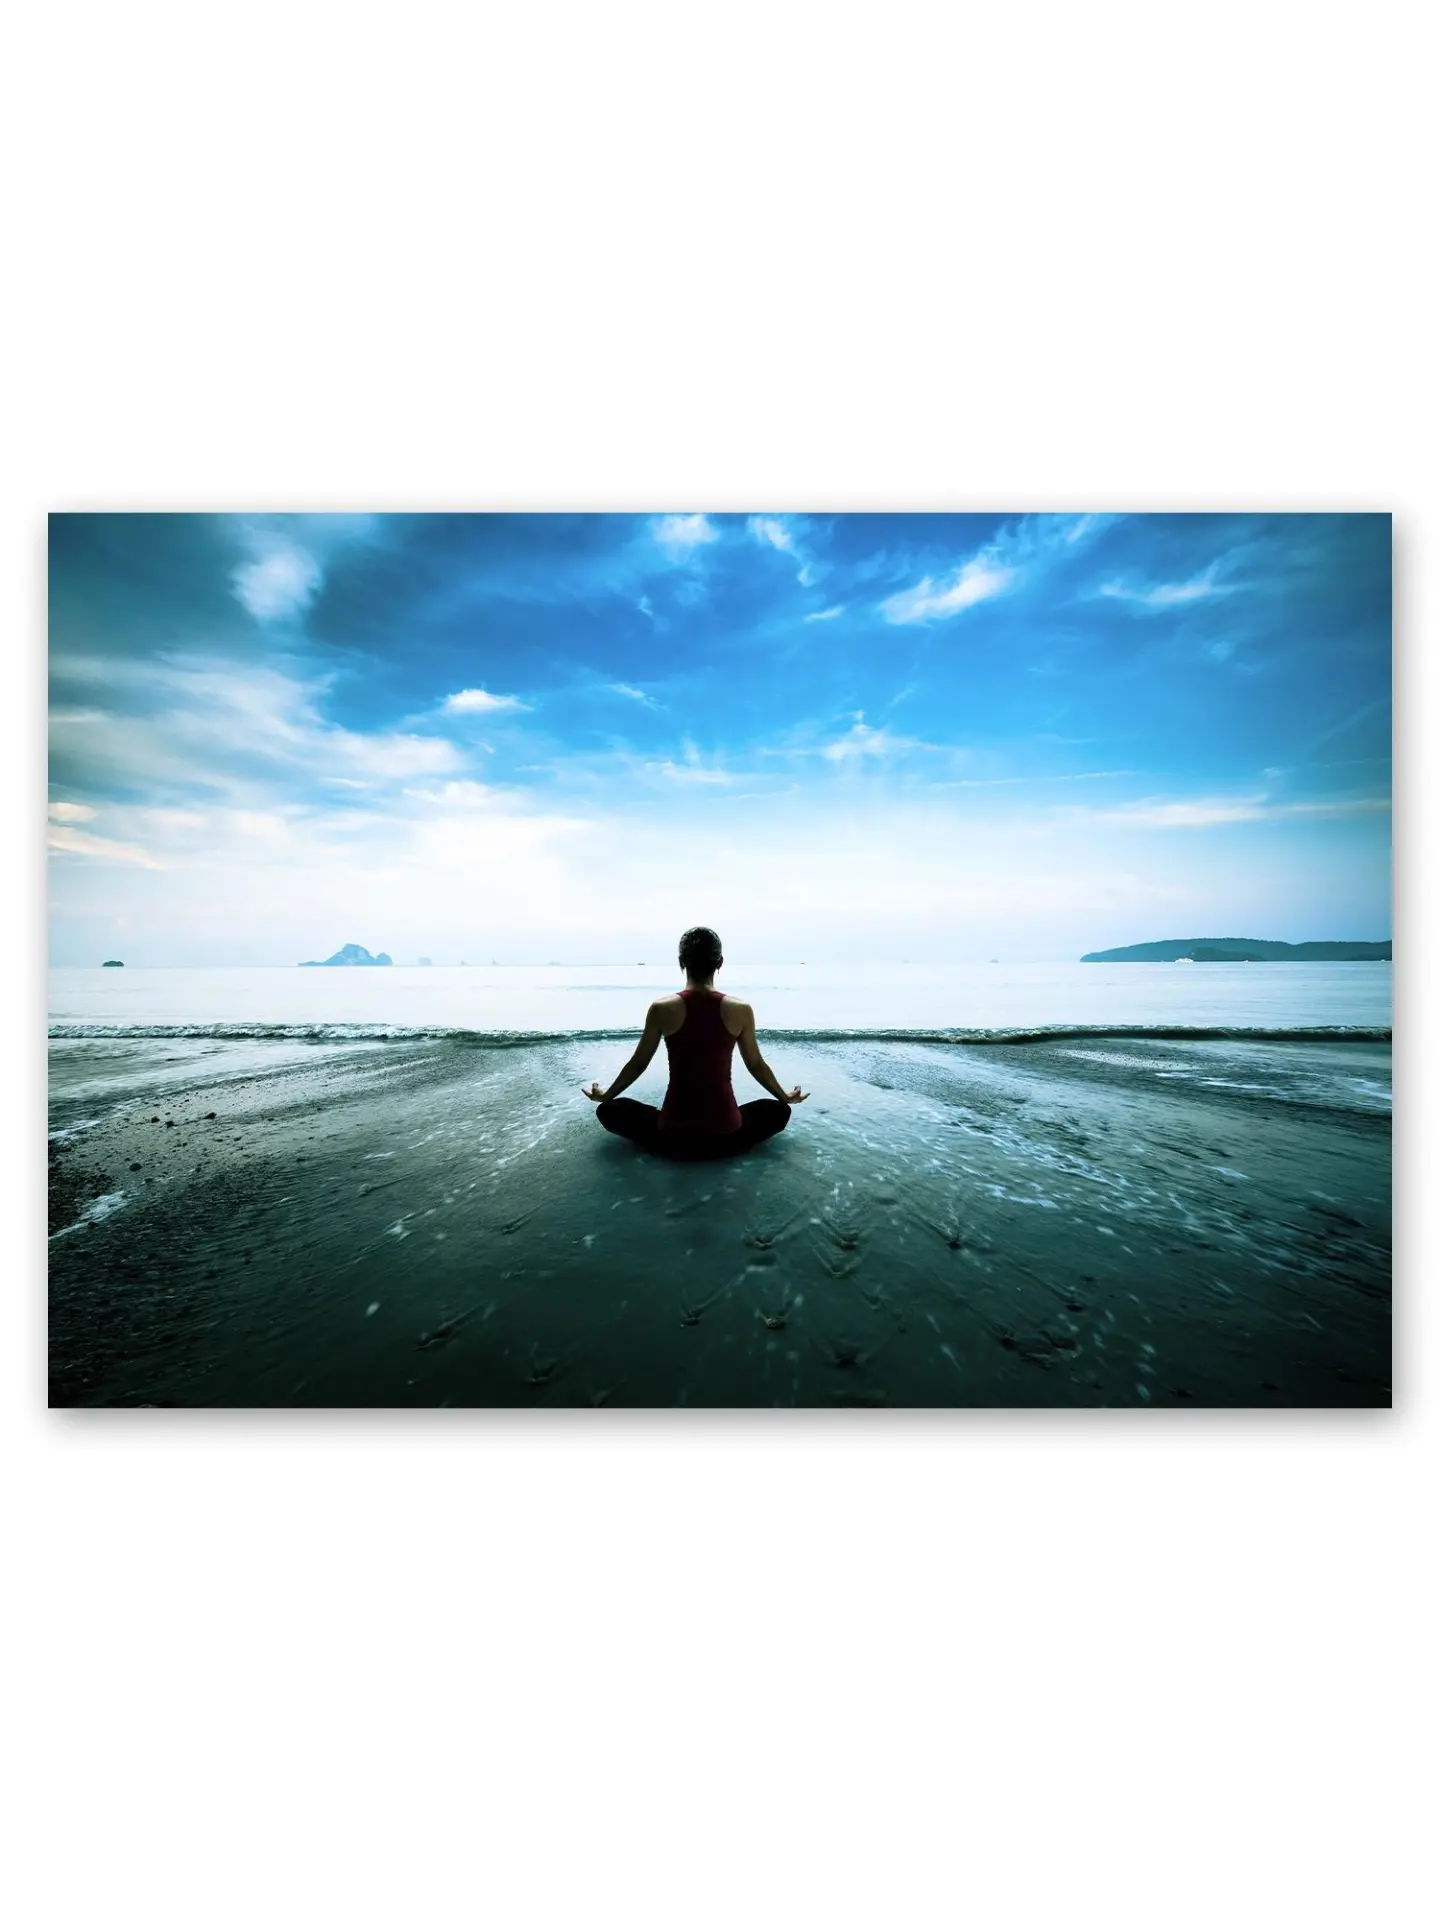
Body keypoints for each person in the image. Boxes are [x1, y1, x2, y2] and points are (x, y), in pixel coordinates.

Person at [583, 926, 808, 1160]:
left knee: (609, 1110)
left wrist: (606, 1094)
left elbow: (638, 1063)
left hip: (673, 1137)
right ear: (719, 962)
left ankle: (668, 1143)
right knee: (779, 1111)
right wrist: (785, 1096)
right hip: (728, 1137)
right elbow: (756, 1065)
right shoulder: (741, 1010)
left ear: (682, 963)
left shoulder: (661, 1009)